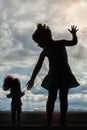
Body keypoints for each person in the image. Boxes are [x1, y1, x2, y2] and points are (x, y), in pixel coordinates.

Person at [26, 23, 80, 126]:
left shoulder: (59, 44)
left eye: (38, 42)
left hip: (63, 76)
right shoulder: (46, 50)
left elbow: (74, 42)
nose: (38, 45)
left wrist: (74, 34)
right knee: (53, 99)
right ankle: (50, 121)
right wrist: (32, 78)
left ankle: (61, 121)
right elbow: (38, 66)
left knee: (61, 99)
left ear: (44, 39)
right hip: (54, 77)